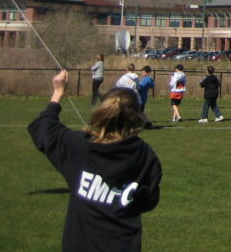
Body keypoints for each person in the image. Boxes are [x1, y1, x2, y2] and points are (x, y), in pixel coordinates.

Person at [28, 70, 162, 252]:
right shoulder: (144, 154)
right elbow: (148, 200)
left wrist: (58, 92)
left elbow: (45, 128)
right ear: (137, 116)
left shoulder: (80, 146)